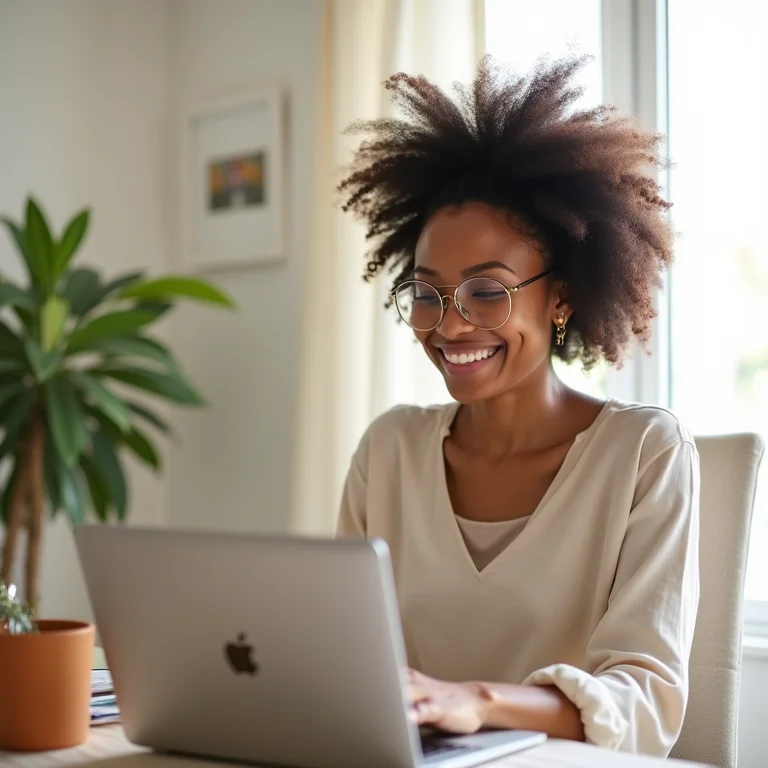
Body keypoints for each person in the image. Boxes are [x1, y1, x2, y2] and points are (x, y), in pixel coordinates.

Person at [335, 55, 700, 757]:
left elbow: (645, 701)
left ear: (560, 297)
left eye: (487, 291)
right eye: (428, 293)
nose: (449, 325)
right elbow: (337, 650)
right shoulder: (390, 450)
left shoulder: (644, 455)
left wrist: (477, 702)